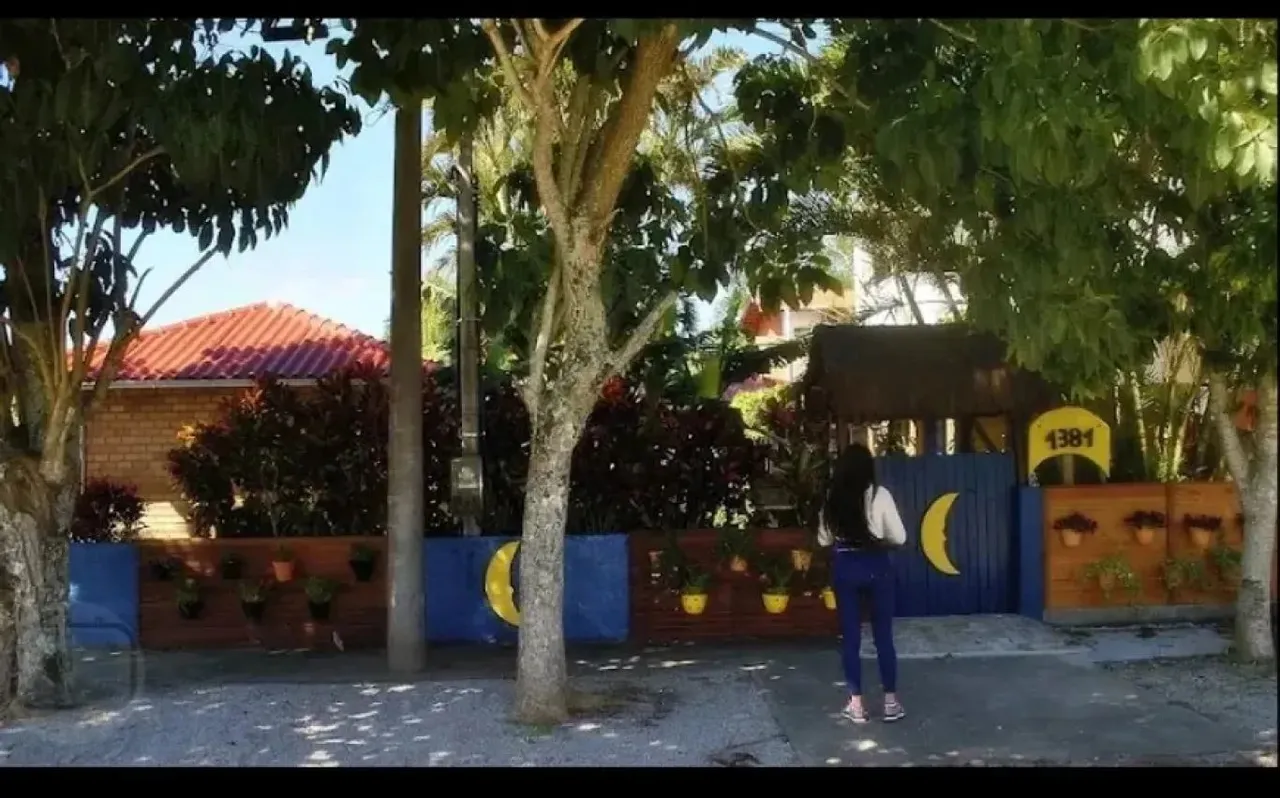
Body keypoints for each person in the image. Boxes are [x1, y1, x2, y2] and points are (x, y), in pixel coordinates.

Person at [817, 441, 908, 724]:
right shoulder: (880, 495)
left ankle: (856, 705)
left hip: (846, 568)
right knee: (883, 637)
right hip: (877, 567)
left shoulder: (832, 498)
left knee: (851, 638)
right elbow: (900, 537)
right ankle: (890, 703)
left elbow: (823, 539)